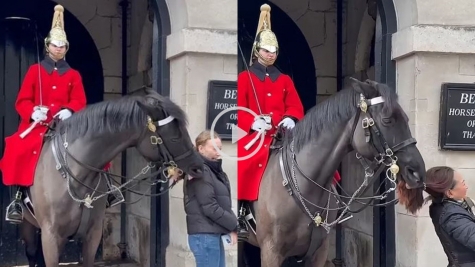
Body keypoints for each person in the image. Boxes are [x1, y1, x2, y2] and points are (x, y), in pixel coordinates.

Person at [0, 5, 122, 224]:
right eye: (55, 45)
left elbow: (79, 100)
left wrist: (70, 110)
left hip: (67, 126)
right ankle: (18, 198)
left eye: (62, 45)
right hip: (38, 126)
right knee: (19, 148)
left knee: (95, 145)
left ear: (66, 48)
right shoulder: (34, 71)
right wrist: (33, 111)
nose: (58, 49)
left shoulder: (73, 75)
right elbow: (22, 101)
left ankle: (110, 188)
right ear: (48, 46)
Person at [236, 4, 341, 240]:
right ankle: (243, 211)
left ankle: (332, 201)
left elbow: (295, 105)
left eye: (274, 50)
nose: (271, 54)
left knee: (318, 159)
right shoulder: (245, 79)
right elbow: (239, 111)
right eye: (266, 50)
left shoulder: (283, 79)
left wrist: (291, 118)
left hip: (284, 133)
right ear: (257, 51)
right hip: (257, 136)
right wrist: (253, 123)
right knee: (248, 162)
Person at [184, 130, 238, 267]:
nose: (218, 153)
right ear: (201, 148)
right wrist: (234, 225)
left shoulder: (212, 170)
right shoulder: (200, 170)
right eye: (213, 148)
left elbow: (222, 203)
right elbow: (210, 206)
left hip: (212, 234)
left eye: (219, 149)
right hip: (204, 236)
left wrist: (231, 227)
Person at [425, 166, 475, 267]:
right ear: (449, 193)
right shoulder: (452, 216)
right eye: (463, 183)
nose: (467, 187)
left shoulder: (444, 206)